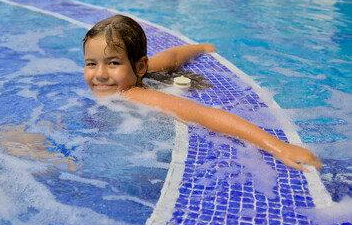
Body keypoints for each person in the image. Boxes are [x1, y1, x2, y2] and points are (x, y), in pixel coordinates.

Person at [83, 14, 322, 172]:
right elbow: (174, 58)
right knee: (165, 65)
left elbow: (203, 115)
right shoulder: (131, 76)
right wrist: (200, 49)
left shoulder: (133, 94)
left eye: (113, 63)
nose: (100, 74)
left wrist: (278, 147)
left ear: (140, 67)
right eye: (91, 64)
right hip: (150, 77)